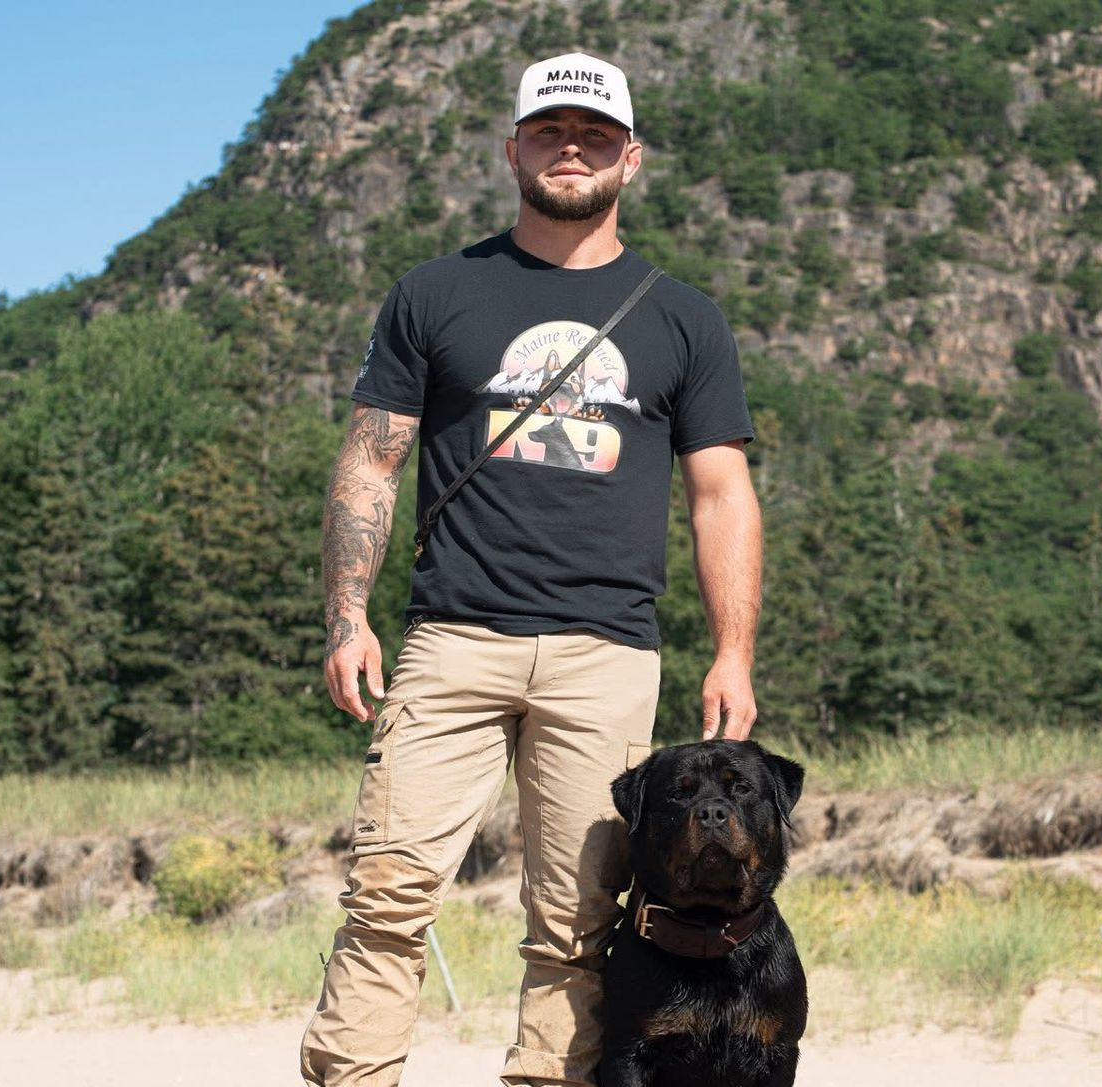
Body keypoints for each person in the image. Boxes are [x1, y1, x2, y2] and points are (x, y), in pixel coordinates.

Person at [300, 50, 763, 1087]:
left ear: (630, 158)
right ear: (513, 147)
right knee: (386, 893)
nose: (572, 148)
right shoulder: (437, 293)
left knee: (581, 924)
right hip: (454, 635)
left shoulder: (685, 318)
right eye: (551, 131)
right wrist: (347, 615)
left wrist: (732, 651)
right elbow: (372, 460)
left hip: (607, 653)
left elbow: (722, 492)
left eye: (595, 135)